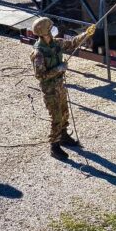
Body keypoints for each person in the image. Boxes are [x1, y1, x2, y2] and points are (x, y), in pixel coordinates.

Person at [30, 16, 90, 158]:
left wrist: (86, 34)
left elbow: (72, 43)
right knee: (56, 117)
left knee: (64, 113)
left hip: (59, 86)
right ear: (44, 33)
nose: (53, 29)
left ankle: (63, 136)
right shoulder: (38, 53)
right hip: (50, 90)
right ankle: (54, 147)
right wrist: (58, 68)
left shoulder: (56, 43)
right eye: (50, 28)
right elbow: (40, 76)